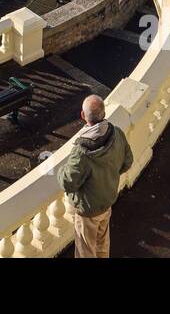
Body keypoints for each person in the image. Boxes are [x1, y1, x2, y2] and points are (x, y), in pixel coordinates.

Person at [56, 95, 133, 259]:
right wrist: (109, 176)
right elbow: (127, 162)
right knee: (102, 245)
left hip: (88, 209)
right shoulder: (116, 133)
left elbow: (67, 182)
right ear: (104, 113)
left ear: (83, 116)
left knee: (86, 251)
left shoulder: (82, 152)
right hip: (107, 202)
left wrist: (60, 170)